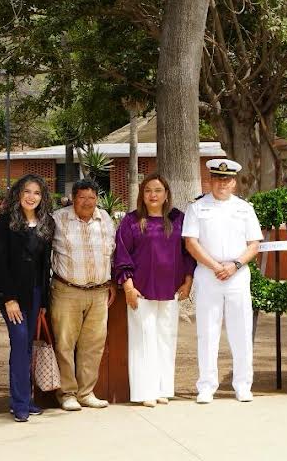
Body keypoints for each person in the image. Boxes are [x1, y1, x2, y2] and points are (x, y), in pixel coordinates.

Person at [183, 158, 263, 403]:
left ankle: (242, 384)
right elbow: (191, 242)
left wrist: (235, 265)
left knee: (241, 330)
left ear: (234, 183)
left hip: (237, 274)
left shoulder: (244, 208)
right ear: (210, 180)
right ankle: (206, 385)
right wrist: (216, 266)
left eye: (226, 179)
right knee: (207, 330)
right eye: (218, 178)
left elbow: (254, 244)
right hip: (209, 274)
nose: (222, 184)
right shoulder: (197, 207)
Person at [112, 174, 195, 408]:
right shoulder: (131, 221)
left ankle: (162, 388)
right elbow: (122, 255)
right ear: (142, 194)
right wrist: (127, 285)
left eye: (158, 190)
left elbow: (188, 253)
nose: (153, 195)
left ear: (166, 194)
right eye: (148, 190)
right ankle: (144, 391)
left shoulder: (178, 219)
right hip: (141, 290)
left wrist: (188, 281)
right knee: (142, 340)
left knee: (166, 339)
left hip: (171, 289)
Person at [0, 174, 54, 422]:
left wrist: (45, 302)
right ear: (18, 193)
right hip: (12, 295)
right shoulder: (5, 223)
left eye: (36, 193)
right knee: (20, 341)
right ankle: (19, 403)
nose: (31, 197)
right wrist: (9, 298)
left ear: (42, 197)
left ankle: (25, 399)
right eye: (27, 191)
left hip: (35, 293)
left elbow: (44, 266)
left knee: (26, 347)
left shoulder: (46, 224)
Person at [50, 180, 117, 411]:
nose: (87, 202)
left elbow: (113, 253)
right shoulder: (58, 219)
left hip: (99, 292)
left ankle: (86, 392)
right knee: (65, 344)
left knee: (93, 345)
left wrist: (112, 283)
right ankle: (67, 393)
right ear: (73, 198)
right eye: (82, 197)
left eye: (92, 197)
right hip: (67, 291)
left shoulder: (105, 218)